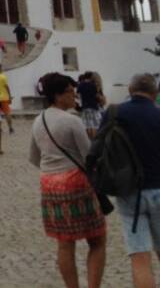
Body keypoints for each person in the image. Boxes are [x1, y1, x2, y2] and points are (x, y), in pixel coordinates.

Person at [29, 72, 106, 288]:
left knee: (64, 244)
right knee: (97, 240)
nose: (74, 96)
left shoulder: (38, 121)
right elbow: (88, 156)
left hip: (49, 184)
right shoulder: (71, 121)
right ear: (57, 96)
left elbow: (34, 157)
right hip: (75, 182)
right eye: (70, 92)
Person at [92, 73, 160, 288]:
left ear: (130, 91)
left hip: (128, 190)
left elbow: (96, 151)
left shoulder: (114, 113)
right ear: (155, 93)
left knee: (139, 258)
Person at [77, 72, 103, 138]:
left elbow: (78, 95)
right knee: (94, 125)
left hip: (85, 107)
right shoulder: (93, 85)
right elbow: (96, 95)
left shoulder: (80, 85)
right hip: (93, 106)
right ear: (90, 77)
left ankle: (89, 140)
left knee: (87, 125)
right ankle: (95, 140)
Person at [0, 63, 14, 135]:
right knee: (7, 113)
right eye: (1, 68)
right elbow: (7, 87)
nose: (2, 69)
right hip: (4, 98)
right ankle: (10, 128)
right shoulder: (2, 77)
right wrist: (10, 96)